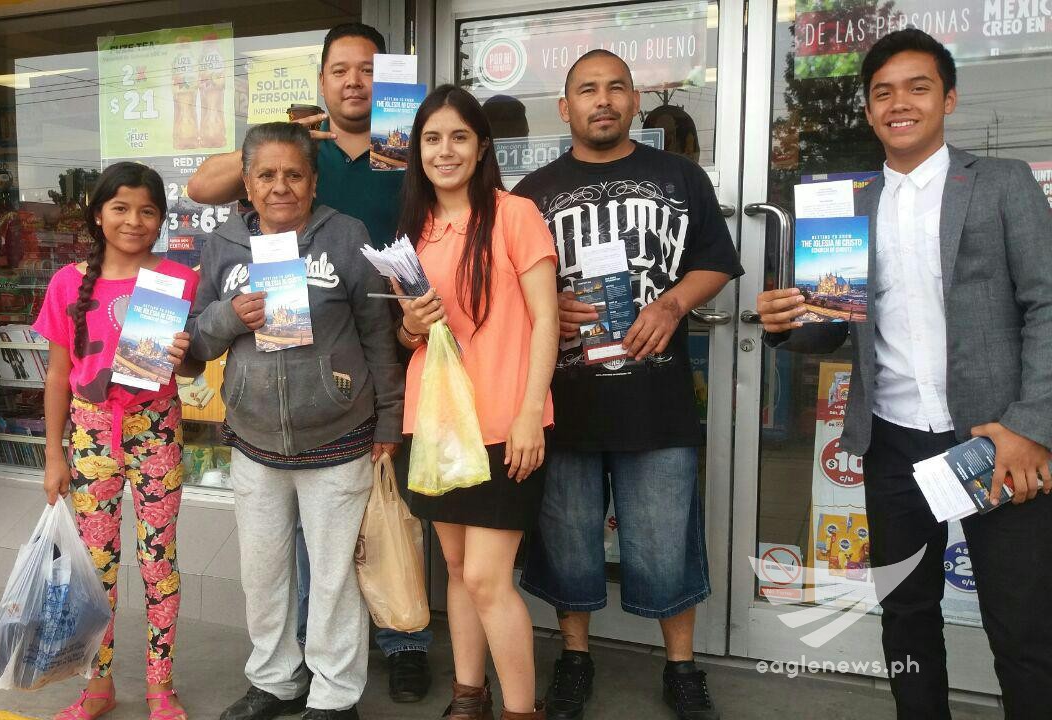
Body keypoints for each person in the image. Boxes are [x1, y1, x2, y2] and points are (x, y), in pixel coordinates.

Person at [756, 29, 1052, 719]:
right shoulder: (847, 204)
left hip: (996, 439)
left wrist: (1031, 426)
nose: (899, 104)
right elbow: (833, 323)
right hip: (891, 442)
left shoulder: (1002, 183)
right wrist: (786, 324)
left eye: (918, 88)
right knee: (907, 615)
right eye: (883, 93)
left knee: (1023, 627)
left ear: (949, 98)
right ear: (868, 110)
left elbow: (1047, 304)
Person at [187, 23, 434, 700]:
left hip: (343, 422)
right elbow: (196, 341)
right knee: (265, 573)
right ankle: (274, 680)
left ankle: (337, 689)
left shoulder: (365, 205)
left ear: (313, 180)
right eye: (265, 175)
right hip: (255, 436)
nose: (280, 186)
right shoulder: (227, 244)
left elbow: (376, 334)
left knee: (339, 568)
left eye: (293, 175)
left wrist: (388, 419)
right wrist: (228, 317)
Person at [512, 50, 742, 720]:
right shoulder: (532, 195)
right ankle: (574, 658)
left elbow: (716, 261)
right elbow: (508, 288)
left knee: (667, 544)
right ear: (566, 107)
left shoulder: (680, 176)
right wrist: (545, 309)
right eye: (588, 89)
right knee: (568, 544)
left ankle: (682, 667)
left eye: (616, 88)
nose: (603, 99)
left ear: (636, 101)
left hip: (656, 401)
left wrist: (672, 304)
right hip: (564, 402)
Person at [397, 85, 559, 720]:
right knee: (458, 567)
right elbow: (411, 337)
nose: (445, 151)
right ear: (417, 149)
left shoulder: (515, 214)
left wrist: (530, 413)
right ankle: (469, 695)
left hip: (504, 421)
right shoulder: (414, 231)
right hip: (437, 424)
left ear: (482, 146)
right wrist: (412, 325)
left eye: (459, 137)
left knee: (489, 577)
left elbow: (546, 320)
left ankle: (521, 710)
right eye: (432, 138)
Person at [34, 161, 201, 720]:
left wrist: (187, 355)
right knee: (96, 568)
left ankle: (160, 685)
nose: (134, 221)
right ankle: (98, 685)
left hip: (157, 431)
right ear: (98, 214)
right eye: (121, 208)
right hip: (91, 435)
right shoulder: (68, 282)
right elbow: (58, 376)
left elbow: (195, 365)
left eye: (147, 211)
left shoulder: (177, 280)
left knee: (159, 562)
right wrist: (54, 455)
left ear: (161, 219)